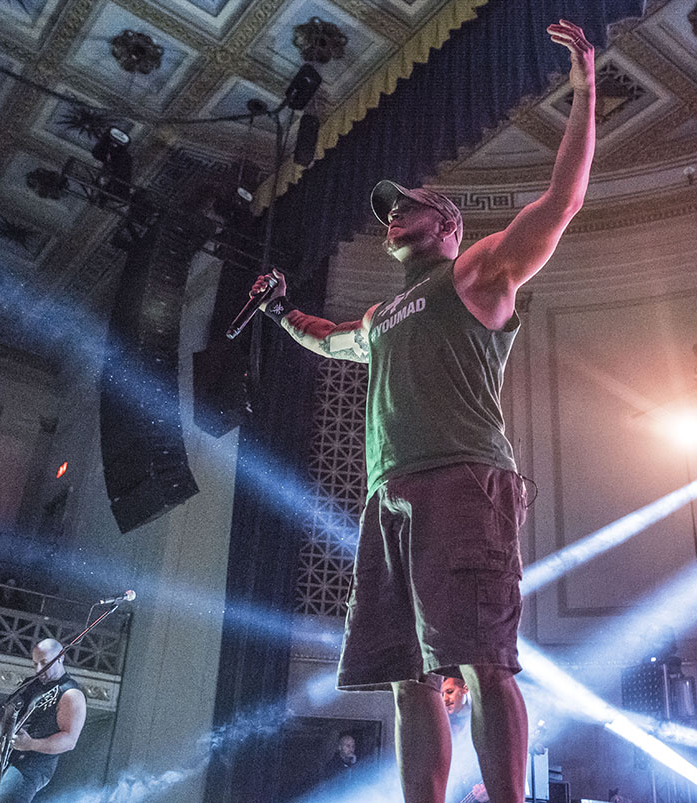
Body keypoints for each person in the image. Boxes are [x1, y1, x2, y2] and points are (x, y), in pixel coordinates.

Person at [250, 19, 595, 803]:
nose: (391, 214)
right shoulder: (381, 317)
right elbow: (332, 339)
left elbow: (564, 198)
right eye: (388, 210)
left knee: (483, 659)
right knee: (407, 676)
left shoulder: (475, 274)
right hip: (389, 496)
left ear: (447, 226)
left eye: (406, 205)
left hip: (462, 483)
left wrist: (585, 89)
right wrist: (280, 312)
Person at [0, 639, 86, 802]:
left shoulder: (70, 694)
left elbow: (69, 740)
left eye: (44, 663)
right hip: (5, 760)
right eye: (35, 664)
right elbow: (4, 720)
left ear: (60, 657)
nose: (39, 670)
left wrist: (31, 744)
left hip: (33, 766)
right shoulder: (29, 685)